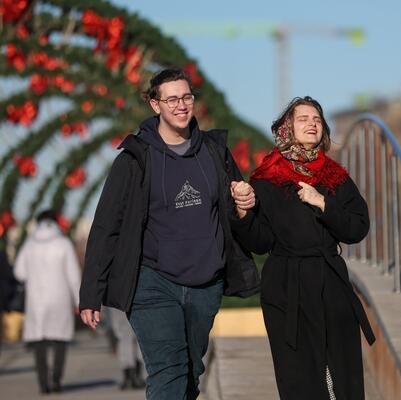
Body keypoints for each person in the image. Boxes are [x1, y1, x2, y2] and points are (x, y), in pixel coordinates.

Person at [78, 67, 259, 400]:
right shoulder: (135, 159)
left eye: (186, 97)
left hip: (206, 281)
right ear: (154, 104)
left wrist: (244, 204)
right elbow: (106, 226)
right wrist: (91, 291)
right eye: (171, 98)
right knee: (168, 369)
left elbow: (236, 213)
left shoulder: (214, 152)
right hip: (152, 281)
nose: (181, 105)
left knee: (191, 371)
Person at [230, 96, 375, 399]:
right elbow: (260, 241)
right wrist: (243, 212)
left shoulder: (336, 178)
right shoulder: (267, 179)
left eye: (317, 119)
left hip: (331, 283)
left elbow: (358, 227)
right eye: (303, 118)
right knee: (299, 379)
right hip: (286, 289)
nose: (312, 123)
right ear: (287, 128)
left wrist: (323, 203)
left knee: (342, 375)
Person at [14, 210, 81, 394]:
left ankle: (43, 384)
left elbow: (19, 272)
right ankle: (57, 380)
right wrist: (79, 301)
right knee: (60, 339)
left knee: (39, 342)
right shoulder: (63, 243)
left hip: (36, 300)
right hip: (60, 298)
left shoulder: (29, 244)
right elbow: (74, 276)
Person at [104, 307, 145, 390]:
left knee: (124, 337)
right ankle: (136, 376)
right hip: (132, 301)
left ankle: (129, 376)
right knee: (137, 334)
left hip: (116, 302)